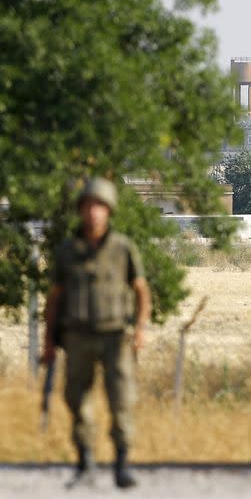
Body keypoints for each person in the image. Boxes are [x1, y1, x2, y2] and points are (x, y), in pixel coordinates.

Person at [42, 177, 151, 489]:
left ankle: (121, 463)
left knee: (122, 398)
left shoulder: (122, 248)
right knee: (77, 398)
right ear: (81, 210)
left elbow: (141, 290)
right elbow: (55, 298)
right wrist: (49, 340)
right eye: (88, 206)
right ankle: (86, 460)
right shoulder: (67, 252)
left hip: (116, 335)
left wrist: (140, 329)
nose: (93, 213)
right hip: (77, 336)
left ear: (109, 211)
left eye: (100, 206)